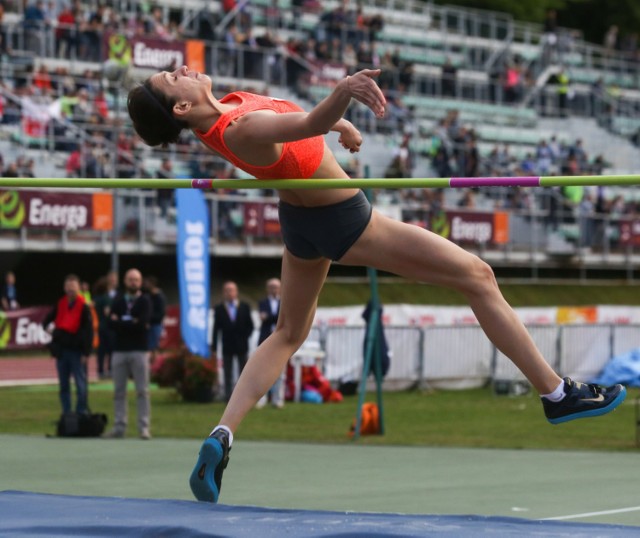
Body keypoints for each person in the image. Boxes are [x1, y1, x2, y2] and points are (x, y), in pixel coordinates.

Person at [127, 65, 626, 503]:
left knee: (287, 333)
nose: (183, 69)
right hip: (342, 218)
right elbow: (303, 124)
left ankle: (222, 434)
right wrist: (342, 94)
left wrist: (338, 122)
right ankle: (557, 394)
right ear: (183, 105)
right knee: (478, 276)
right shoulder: (238, 125)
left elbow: (295, 132)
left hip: (301, 222)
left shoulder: (229, 112)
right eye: (173, 77)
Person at [104, 268, 152, 440]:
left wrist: (122, 322)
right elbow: (109, 323)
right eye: (130, 279)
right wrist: (132, 322)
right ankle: (119, 426)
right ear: (125, 281)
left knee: (142, 390)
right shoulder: (118, 300)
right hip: (119, 351)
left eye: (136, 279)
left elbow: (143, 324)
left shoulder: (145, 301)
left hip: (139, 350)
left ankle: (144, 427)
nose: (133, 282)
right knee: (119, 391)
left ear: (140, 282)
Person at [42, 274, 93, 416]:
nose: (71, 290)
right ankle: (66, 414)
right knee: (64, 386)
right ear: (65, 288)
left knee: (81, 385)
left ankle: (81, 413)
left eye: (73, 287)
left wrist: (86, 352)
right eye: (68, 287)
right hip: (62, 351)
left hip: (77, 351)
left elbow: (89, 332)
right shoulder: (61, 304)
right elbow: (46, 321)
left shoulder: (83, 307)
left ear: (78, 288)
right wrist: (52, 331)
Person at [211, 281, 254, 403]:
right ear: (223, 293)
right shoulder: (219, 309)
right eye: (227, 290)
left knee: (243, 372)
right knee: (227, 372)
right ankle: (228, 397)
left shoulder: (244, 307)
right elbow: (216, 329)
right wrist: (214, 346)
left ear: (236, 292)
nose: (229, 293)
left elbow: (250, 326)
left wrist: (244, 337)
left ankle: (243, 397)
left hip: (241, 345)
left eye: (231, 290)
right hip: (227, 345)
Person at [255, 278, 284, 409]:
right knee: (262, 370)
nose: (274, 290)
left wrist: (269, 316)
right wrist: (274, 316)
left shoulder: (284, 302)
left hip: (281, 340)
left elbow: (280, 317)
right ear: (268, 289)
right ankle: (262, 398)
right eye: (271, 287)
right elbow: (266, 317)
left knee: (280, 371)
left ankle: (277, 399)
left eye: (276, 287)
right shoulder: (262, 302)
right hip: (265, 339)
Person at [143, 275, 166, 363]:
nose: (145, 285)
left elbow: (161, 313)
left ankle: (155, 365)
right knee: (149, 347)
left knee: (154, 347)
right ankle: (151, 365)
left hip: (156, 325)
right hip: (149, 325)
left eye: (147, 284)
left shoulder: (159, 297)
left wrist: (149, 319)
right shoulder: (148, 296)